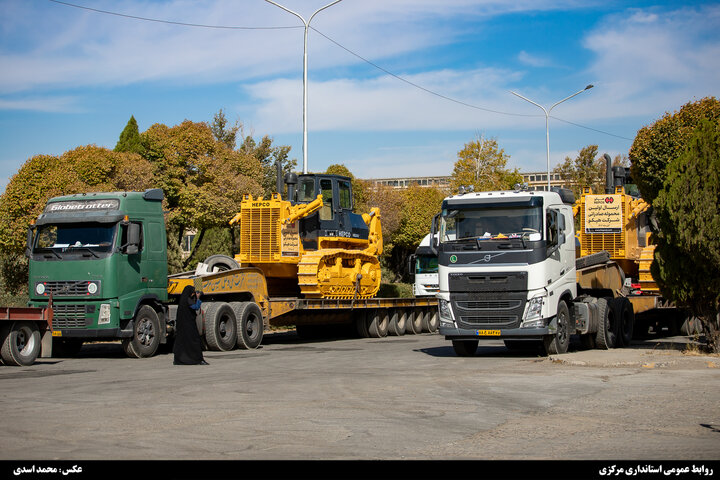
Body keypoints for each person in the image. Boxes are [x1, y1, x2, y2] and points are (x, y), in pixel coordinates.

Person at [173, 285, 208, 365]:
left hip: (182, 326)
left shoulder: (183, 300)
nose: (193, 294)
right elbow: (195, 307)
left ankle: (179, 360)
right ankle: (198, 359)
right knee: (194, 341)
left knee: (182, 342)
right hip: (189, 326)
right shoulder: (188, 300)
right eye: (193, 293)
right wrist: (198, 298)